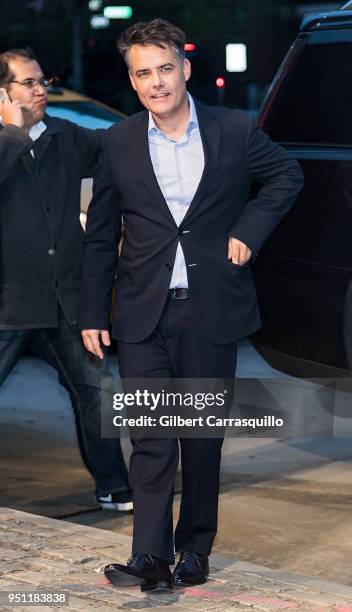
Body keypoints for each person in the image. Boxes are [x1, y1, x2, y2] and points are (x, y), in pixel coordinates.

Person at [80, 19, 304, 593]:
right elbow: (102, 234)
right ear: (132, 82)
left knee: (201, 439)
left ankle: (194, 548)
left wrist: (250, 229)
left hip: (210, 310)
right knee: (152, 437)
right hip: (140, 313)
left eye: (163, 68)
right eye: (142, 73)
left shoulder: (233, 129)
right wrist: (90, 313)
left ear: (184, 67)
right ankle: (149, 556)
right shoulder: (118, 141)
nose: (155, 82)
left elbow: (286, 174)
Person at [0, 47, 132, 512]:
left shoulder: (64, 136)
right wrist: (14, 134)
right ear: (3, 92)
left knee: (98, 391)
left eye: (43, 80)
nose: (42, 90)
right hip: (8, 304)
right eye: (29, 83)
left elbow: (118, 152)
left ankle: (114, 484)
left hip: (65, 302)